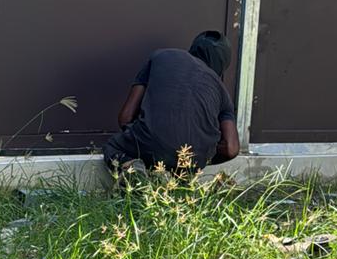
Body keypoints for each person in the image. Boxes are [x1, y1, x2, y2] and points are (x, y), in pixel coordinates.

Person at [102, 31, 241, 177]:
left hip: (149, 142)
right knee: (186, 162)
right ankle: (183, 175)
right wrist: (201, 157)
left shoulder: (161, 56)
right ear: (223, 63)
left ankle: (131, 168)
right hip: (191, 159)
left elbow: (125, 118)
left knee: (113, 147)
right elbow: (231, 149)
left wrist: (141, 139)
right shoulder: (221, 90)